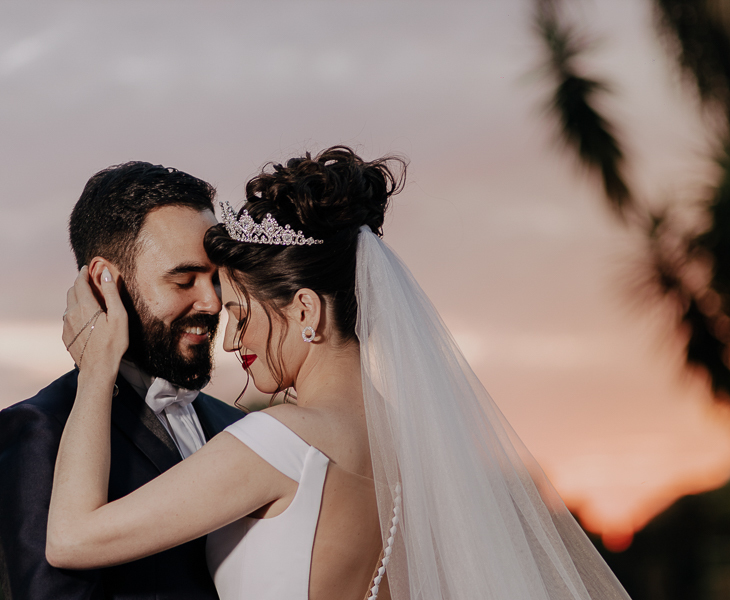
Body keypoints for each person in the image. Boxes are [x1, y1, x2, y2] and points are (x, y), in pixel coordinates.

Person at [49, 147, 632, 600]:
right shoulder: (411, 447)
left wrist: (97, 368)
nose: (231, 339)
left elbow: (70, 540)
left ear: (304, 310)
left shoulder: (276, 443)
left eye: (240, 313)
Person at [0, 162, 243, 600]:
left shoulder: (237, 426)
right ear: (104, 281)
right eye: (184, 279)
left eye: (216, 278)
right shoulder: (40, 429)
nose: (212, 302)